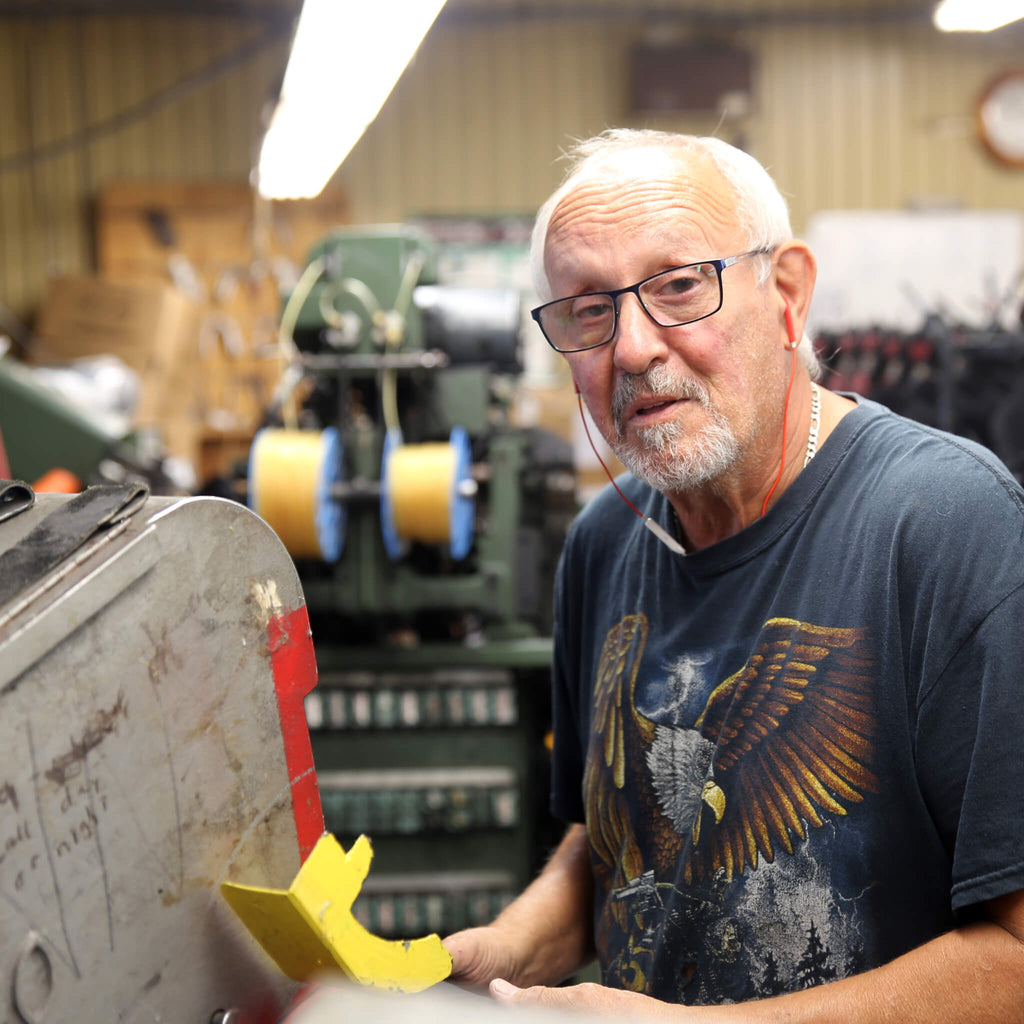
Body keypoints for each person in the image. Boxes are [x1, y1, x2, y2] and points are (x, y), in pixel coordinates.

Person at [441, 129, 1024, 1020]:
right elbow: (612, 839)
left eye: (678, 286)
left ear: (786, 292)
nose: (632, 348)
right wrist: (507, 948)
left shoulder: (950, 526)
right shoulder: (603, 544)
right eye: (588, 311)